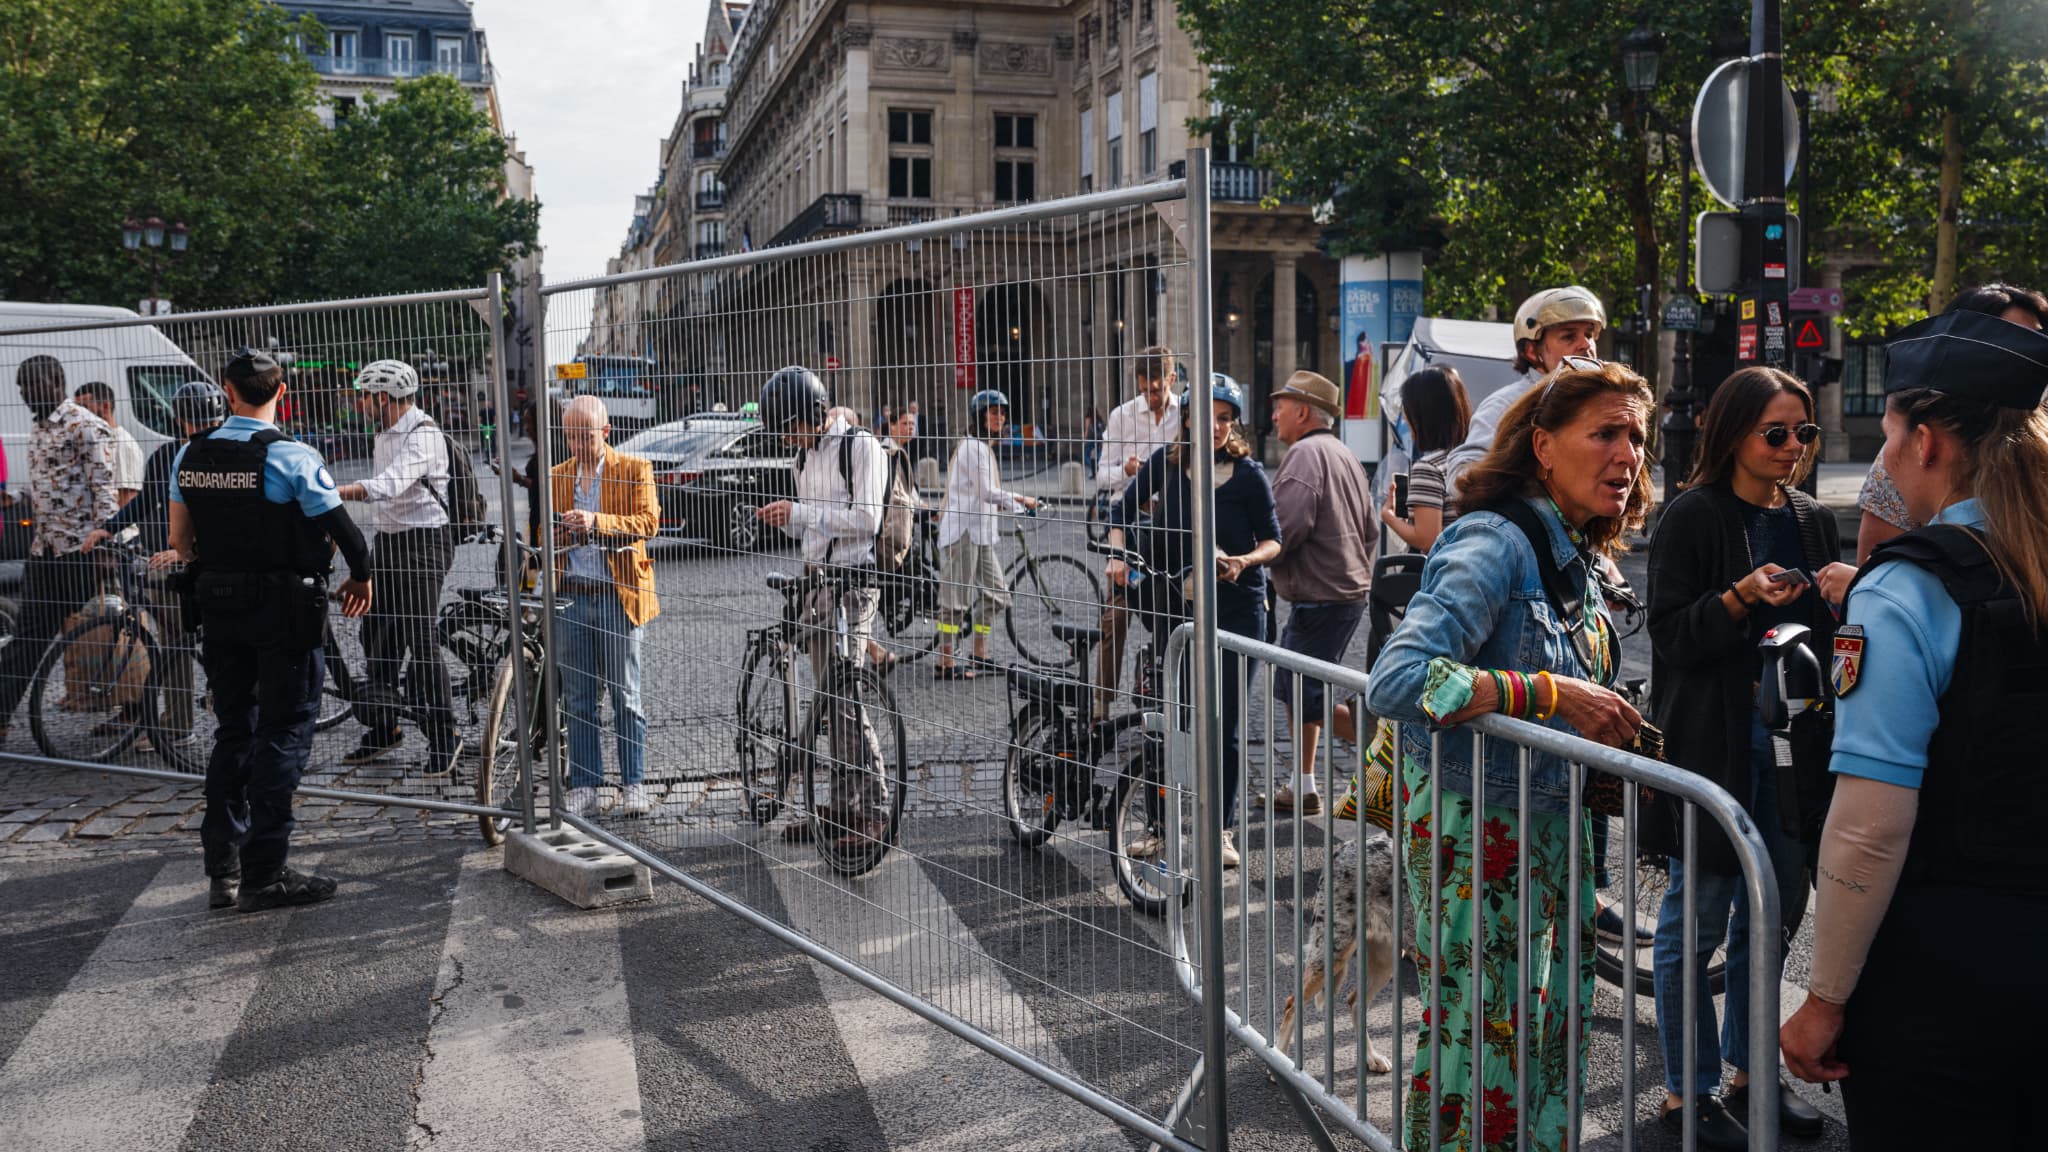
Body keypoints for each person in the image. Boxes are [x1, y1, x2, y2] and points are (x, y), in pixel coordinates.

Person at [1365, 360, 1653, 1152]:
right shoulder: (1496, 541)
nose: (1628, 454)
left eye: (1637, 436)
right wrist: (1548, 695)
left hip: (1553, 842)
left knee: (1545, 1047)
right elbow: (1397, 679)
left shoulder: (1579, 553)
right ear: (1543, 446)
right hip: (1478, 838)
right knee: (1482, 1052)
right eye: (1606, 433)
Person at [1779, 309, 2048, 1150]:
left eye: (1891, 434)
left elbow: (1869, 829)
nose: (1885, 458)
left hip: (1946, 968)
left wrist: (1823, 1000)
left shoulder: (1905, 593)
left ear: (1926, 442)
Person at [1646, 367, 1844, 1146]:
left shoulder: (1809, 517)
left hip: (1796, 753)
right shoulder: (1694, 515)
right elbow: (1669, 636)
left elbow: (1828, 652)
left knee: (1773, 921)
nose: (1793, 447)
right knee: (1696, 921)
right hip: (1715, 749)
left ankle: (1750, 1076)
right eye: (1777, 432)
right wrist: (1738, 597)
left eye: (1805, 432)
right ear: (1733, 435)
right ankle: (1684, 1093)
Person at [167, 350, 373, 912]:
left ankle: (223, 870)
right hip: (284, 612)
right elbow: (349, 536)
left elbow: (180, 544)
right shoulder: (291, 456)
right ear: (280, 393)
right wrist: (360, 578)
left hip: (218, 607)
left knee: (235, 731)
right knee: (283, 734)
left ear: (227, 393)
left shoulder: (191, 452)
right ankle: (265, 872)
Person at [1106, 374, 1280, 868]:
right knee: (1171, 719)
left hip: (1238, 611)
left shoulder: (1248, 476)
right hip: (1177, 607)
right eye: (1207, 417)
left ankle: (1221, 831)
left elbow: (1274, 539)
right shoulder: (1166, 463)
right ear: (1187, 418)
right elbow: (1120, 513)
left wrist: (1245, 560)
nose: (1218, 427)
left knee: (1222, 725)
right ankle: (1160, 829)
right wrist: (1118, 555)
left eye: (1225, 418)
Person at [753, 366, 892, 848]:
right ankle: (839, 808)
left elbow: (868, 521)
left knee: (848, 697)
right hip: (818, 583)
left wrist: (804, 513)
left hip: (855, 583)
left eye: (791, 426)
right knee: (829, 703)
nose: (788, 438)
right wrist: (788, 521)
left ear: (814, 412)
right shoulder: (802, 458)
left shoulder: (860, 448)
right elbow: (816, 530)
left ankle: (875, 814)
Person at [1854, 282, 2047, 564]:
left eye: (2036, 339)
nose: (2025, 354)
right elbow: (1872, 567)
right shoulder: (1902, 455)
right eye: (2005, 340)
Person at [84, 380, 231, 745]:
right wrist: (109, 529)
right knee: (177, 641)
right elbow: (149, 497)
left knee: (191, 641)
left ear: (178, 418)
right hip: (184, 559)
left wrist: (185, 551)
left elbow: (150, 499)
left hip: (205, 561)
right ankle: (181, 719)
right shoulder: (187, 453)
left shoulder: (190, 453)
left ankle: (196, 716)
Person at [334, 359, 462, 774]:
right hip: (388, 543)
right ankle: (385, 726)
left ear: (383, 398)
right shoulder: (384, 432)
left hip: (424, 544)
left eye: (364, 396)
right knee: (377, 634)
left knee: (419, 640)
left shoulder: (423, 435)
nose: (359, 403)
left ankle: (446, 735)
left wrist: (331, 491)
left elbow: (387, 485)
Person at [1261, 370, 1375, 815]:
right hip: (1343, 592)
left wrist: (1250, 555)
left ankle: (1400, 749)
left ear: (1304, 411)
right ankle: (1303, 785)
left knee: (1307, 695)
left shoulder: (1305, 455)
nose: (1275, 416)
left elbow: (1284, 528)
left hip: (1323, 597)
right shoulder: (1342, 453)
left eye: (1281, 406)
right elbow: (1369, 530)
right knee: (1299, 689)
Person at [0, 356, 119, 745]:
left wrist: (105, 542)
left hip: (79, 552)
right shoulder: (39, 428)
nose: (23, 394)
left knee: (112, 631)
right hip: (44, 551)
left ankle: (139, 708)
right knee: (30, 639)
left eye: (28, 386)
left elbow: (104, 491)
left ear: (55, 382)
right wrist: (15, 497)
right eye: (19, 387)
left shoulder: (86, 427)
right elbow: (49, 488)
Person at [552, 395, 661, 817]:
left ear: (606, 432)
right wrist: (560, 532)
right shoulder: (557, 475)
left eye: (586, 437)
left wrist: (597, 523)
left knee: (625, 695)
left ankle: (633, 783)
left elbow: (648, 522)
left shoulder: (634, 469)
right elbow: (542, 529)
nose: (578, 445)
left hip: (618, 597)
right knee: (578, 700)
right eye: (571, 438)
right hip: (572, 597)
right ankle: (585, 784)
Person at [1093, 346, 1181, 717]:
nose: (1152, 396)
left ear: (1172, 379)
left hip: (1172, 522)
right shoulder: (1122, 416)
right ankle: (1101, 706)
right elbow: (1100, 474)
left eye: (1158, 388)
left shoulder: (1185, 415)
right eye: (1146, 389)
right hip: (1128, 522)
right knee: (1116, 613)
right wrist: (1128, 472)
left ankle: (1170, 702)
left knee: (1174, 609)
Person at [934, 389, 1040, 678]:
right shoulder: (972, 448)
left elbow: (983, 494)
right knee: (955, 601)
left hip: (980, 533)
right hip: (964, 532)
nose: (1000, 418)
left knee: (998, 596)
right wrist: (1021, 499)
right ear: (979, 416)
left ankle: (980, 653)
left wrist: (1010, 505)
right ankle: (945, 661)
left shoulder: (983, 447)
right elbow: (986, 492)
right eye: (994, 412)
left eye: (1003, 413)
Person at [1380, 366, 1473, 553]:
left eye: (1407, 412)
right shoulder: (1471, 457)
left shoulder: (1429, 468)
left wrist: (1389, 516)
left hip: (1447, 572)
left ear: (1423, 416)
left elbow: (1427, 540)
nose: (1405, 419)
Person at [867, 402, 923, 670]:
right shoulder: (890, 454)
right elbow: (898, 497)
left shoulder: (899, 452)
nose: (910, 428)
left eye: (913, 424)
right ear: (892, 425)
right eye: (905, 424)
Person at [73, 381, 144, 508]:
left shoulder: (123, 444)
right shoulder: (88, 440)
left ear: (106, 407)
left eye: (84, 408)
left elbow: (127, 500)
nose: (79, 415)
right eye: (76, 409)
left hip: (114, 527)